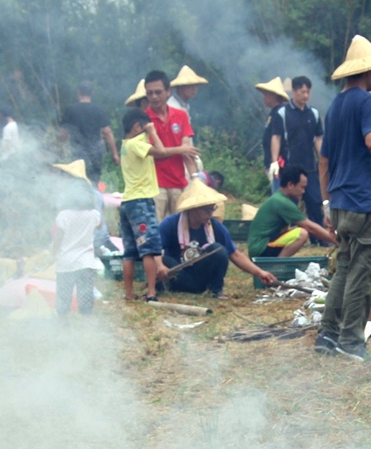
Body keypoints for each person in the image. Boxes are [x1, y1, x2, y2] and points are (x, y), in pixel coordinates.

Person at [317, 35, 371, 362]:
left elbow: (323, 160)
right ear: (368, 73)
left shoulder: (334, 106)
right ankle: (351, 341)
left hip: (339, 201)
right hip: (363, 200)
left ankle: (328, 333)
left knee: (345, 267)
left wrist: (326, 202)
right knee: (365, 272)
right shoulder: (367, 101)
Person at [157, 180, 278, 298]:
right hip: (177, 275)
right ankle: (163, 288)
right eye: (207, 210)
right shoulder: (170, 224)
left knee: (218, 250)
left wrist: (259, 272)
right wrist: (160, 266)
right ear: (193, 209)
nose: (210, 214)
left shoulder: (214, 226)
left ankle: (215, 290)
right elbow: (154, 250)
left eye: (212, 209)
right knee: (164, 260)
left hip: (200, 277)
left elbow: (235, 254)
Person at [118, 108, 166, 302]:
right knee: (149, 248)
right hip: (141, 201)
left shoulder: (124, 145)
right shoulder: (136, 144)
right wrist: (153, 132)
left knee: (130, 251)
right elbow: (161, 152)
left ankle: (129, 293)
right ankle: (152, 292)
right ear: (137, 127)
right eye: (144, 129)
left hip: (128, 200)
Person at [143, 69, 201, 220]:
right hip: (154, 185)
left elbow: (187, 151)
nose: (154, 97)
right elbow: (153, 151)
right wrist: (180, 149)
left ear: (168, 91)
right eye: (150, 93)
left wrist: (195, 178)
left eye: (158, 92)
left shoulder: (181, 115)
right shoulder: (143, 119)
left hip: (178, 181)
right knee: (156, 229)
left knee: (181, 227)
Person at [247, 165, 337, 259]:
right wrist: (334, 240)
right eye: (302, 187)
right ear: (290, 185)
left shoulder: (279, 198)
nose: (303, 191)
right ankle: (277, 266)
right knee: (302, 234)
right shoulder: (282, 202)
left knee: (296, 230)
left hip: (261, 245)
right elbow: (310, 227)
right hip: (260, 248)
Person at [271, 76, 326, 230]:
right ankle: (288, 232)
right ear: (293, 91)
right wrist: (274, 161)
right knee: (290, 201)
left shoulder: (313, 113)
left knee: (315, 200)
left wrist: (322, 159)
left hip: (309, 165)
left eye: (308, 92)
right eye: (302, 92)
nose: (305, 96)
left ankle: (318, 236)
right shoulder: (282, 113)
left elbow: (318, 138)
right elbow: (276, 137)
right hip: (290, 165)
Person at [51, 162, 102, 316]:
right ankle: (86, 322)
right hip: (86, 263)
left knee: (63, 296)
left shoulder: (63, 216)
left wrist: (53, 254)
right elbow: (99, 226)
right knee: (85, 296)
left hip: (65, 263)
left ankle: (63, 321)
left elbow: (58, 240)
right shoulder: (93, 215)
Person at [59, 81, 119, 181]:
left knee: (78, 183)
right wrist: (115, 154)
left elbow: (63, 133)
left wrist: (59, 148)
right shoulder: (99, 109)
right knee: (93, 183)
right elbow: (107, 132)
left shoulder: (70, 109)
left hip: (77, 155)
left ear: (78, 92)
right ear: (92, 93)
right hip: (95, 154)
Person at [255, 77, 289, 189]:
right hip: (273, 163)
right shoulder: (273, 113)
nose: (264, 97)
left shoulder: (279, 113)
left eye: (266, 94)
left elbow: (278, 138)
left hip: (281, 164)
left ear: (274, 95)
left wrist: (274, 162)